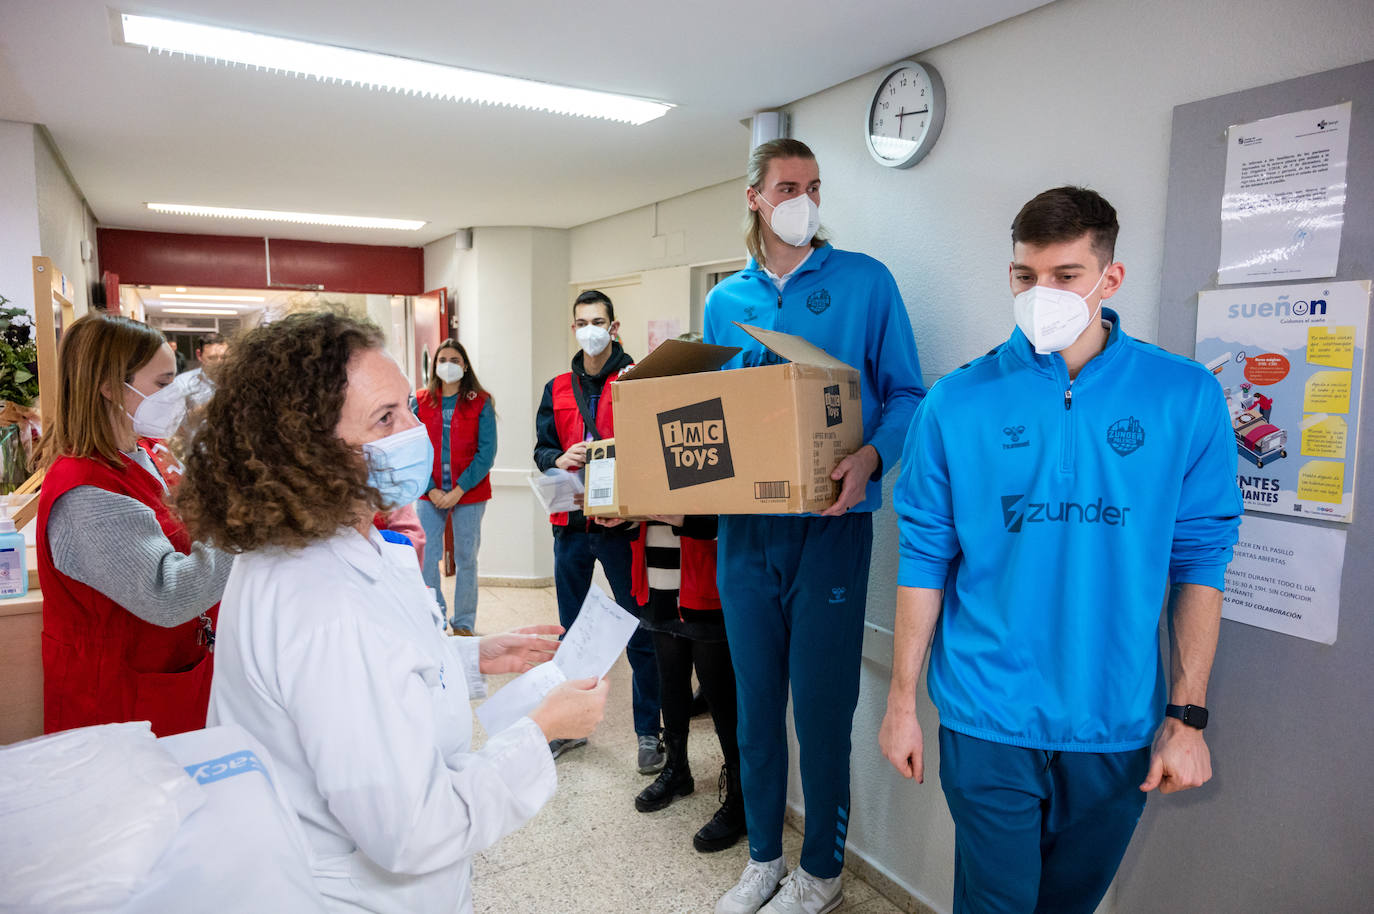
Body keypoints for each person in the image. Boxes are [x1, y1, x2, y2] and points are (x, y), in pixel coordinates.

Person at [880, 187, 1242, 914]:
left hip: (1113, 717)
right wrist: (901, 704)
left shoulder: (1185, 395)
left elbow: (1201, 560)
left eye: (1065, 275)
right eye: (1024, 276)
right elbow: (924, 555)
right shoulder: (958, 401)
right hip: (988, 714)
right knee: (998, 903)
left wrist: (1189, 715)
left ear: (1110, 279)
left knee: (1067, 906)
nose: (1039, 294)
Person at [178, 310, 609, 914]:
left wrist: (471, 656)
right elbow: (413, 829)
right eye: (386, 418)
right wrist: (541, 732)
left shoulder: (330, 541)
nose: (416, 429)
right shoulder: (323, 603)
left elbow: (378, 678)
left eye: (408, 405)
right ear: (308, 449)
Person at [705, 138, 925, 914]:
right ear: (756, 198)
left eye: (814, 185)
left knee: (823, 710)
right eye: (788, 186)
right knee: (755, 703)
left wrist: (871, 457)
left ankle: (823, 874)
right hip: (746, 534)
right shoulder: (725, 300)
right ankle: (764, 859)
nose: (804, 198)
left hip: (833, 529)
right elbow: (710, 414)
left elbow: (909, 395)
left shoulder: (865, 282)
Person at [35, 313, 229, 737]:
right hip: (119, 706)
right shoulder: (85, 492)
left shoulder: (145, 453)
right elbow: (167, 594)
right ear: (109, 386)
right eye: (162, 385)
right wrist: (240, 529)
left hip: (170, 678)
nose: (174, 396)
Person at [533, 289, 663, 773]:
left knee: (640, 630)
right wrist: (557, 457)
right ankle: (569, 728)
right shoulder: (557, 388)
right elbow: (542, 449)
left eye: (599, 321)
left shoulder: (636, 380)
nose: (590, 329)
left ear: (614, 327)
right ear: (574, 328)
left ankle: (649, 733)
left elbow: (653, 449)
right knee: (572, 633)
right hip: (570, 522)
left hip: (621, 525)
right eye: (582, 321)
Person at [624, 512, 745, 853]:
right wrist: (621, 516)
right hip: (657, 577)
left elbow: (725, 517)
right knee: (671, 685)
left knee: (720, 697)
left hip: (702, 579)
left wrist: (673, 514)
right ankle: (677, 770)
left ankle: (741, 796)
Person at [413, 338, 495, 635]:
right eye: (442, 359)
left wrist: (459, 490)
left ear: (465, 365)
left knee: (466, 559)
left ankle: (463, 624)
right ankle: (435, 618)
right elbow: (415, 449)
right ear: (434, 365)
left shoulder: (480, 401)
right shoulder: (419, 401)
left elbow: (486, 452)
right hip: (428, 492)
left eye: (455, 360)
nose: (448, 365)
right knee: (426, 556)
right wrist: (432, 488)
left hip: (469, 494)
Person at [170, 333, 228, 408]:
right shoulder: (182, 383)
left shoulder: (238, 381)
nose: (219, 363)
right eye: (213, 358)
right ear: (199, 355)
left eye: (224, 357)